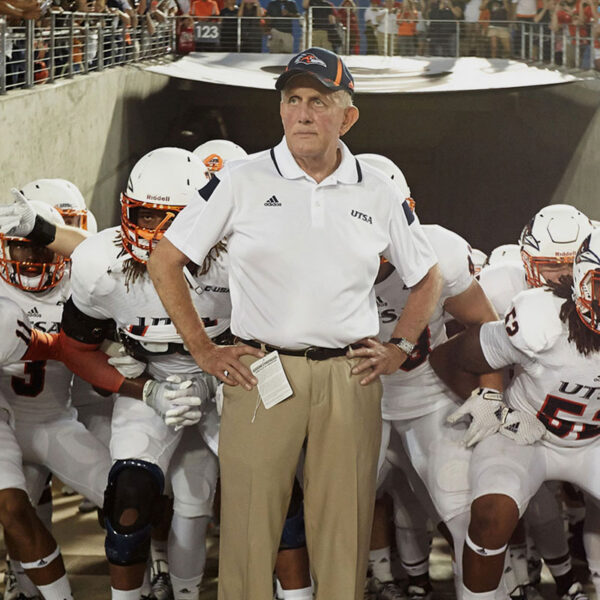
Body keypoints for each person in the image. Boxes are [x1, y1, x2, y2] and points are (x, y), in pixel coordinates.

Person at [147, 47, 442, 600]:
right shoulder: (241, 178)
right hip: (262, 372)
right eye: (293, 100)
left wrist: (399, 345)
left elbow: (428, 278)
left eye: (319, 101)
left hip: (349, 377)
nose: (303, 113)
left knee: (344, 529)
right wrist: (206, 351)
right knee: (249, 529)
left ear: (347, 115)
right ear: (281, 109)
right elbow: (164, 260)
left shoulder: (377, 187)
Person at [429, 227, 600, 600]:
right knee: (492, 513)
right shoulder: (544, 319)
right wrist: (491, 404)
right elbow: (448, 356)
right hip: (528, 434)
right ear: (582, 283)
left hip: (593, 443)